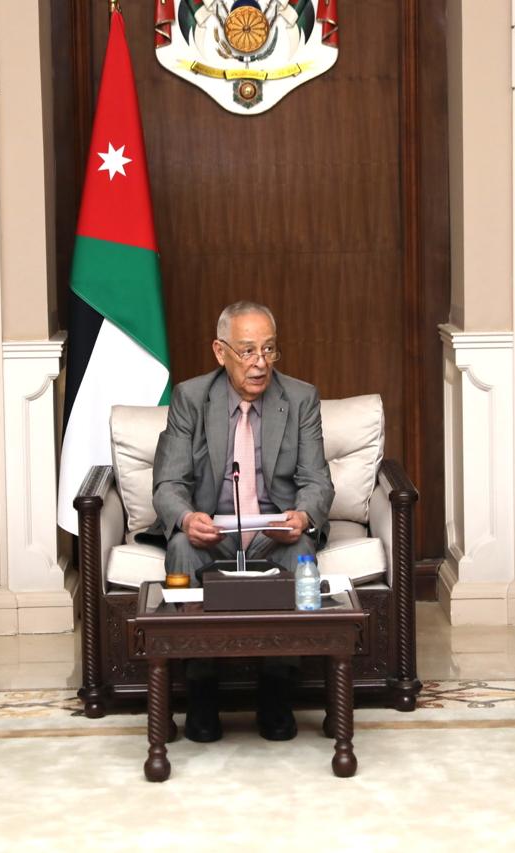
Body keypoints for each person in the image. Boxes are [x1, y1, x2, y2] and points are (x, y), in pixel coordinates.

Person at [147, 300, 334, 742]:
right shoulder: (191, 398)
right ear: (220, 351)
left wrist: (302, 515)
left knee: (301, 548)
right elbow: (168, 482)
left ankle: (276, 689)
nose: (260, 363)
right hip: (214, 532)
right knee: (181, 546)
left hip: (273, 531)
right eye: (248, 351)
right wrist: (187, 518)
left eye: (269, 349)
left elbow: (317, 481)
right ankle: (201, 689)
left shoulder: (300, 398)